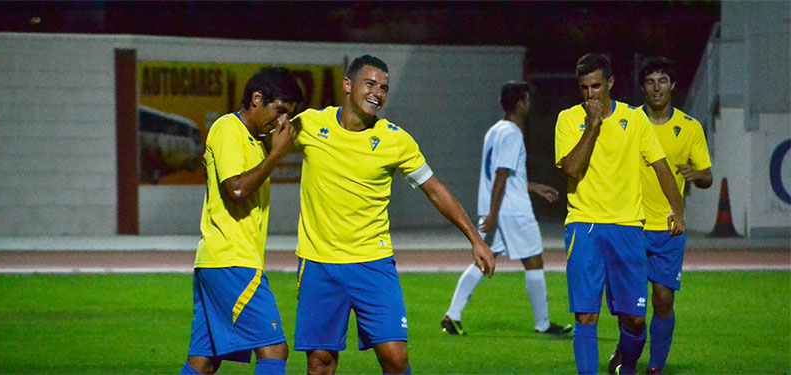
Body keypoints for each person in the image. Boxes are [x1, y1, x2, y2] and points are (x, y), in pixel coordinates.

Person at [290, 55, 496, 375]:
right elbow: (264, 141)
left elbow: (435, 190)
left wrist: (475, 239)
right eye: (370, 84)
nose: (378, 93)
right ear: (348, 85)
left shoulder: (395, 140)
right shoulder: (309, 124)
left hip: (373, 263)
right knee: (320, 363)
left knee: (396, 359)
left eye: (384, 87)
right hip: (319, 263)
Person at [553, 54, 685, 375]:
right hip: (584, 226)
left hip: (627, 228)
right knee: (586, 315)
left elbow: (660, 165)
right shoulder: (569, 120)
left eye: (596, 86)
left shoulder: (634, 119)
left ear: (610, 84)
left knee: (635, 318)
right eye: (584, 88)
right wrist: (594, 125)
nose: (590, 94)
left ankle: (626, 367)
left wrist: (676, 208)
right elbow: (571, 167)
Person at [180, 67, 304, 375]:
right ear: (257, 98)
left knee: (204, 362)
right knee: (275, 349)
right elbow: (235, 189)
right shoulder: (228, 128)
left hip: (220, 262)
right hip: (232, 262)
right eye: (279, 111)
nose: (281, 122)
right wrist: (277, 156)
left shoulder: (254, 140)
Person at [440, 81, 572, 336]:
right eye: (528, 100)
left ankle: (452, 315)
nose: (530, 105)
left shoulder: (495, 131)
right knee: (534, 261)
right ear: (521, 103)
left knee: (484, 259)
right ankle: (543, 324)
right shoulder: (512, 133)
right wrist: (492, 213)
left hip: (499, 207)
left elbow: (506, 175)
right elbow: (501, 174)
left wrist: (534, 188)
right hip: (511, 211)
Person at [608, 56, 712, 375]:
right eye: (651, 81)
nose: (657, 87)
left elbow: (707, 177)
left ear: (673, 86)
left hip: (669, 228)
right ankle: (626, 352)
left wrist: (694, 174)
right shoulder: (626, 121)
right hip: (631, 225)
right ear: (642, 87)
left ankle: (654, 366)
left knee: (663, 300)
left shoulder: (690, 127)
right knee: (630, 306)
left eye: (663, 80)